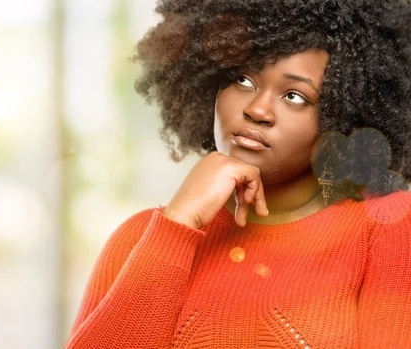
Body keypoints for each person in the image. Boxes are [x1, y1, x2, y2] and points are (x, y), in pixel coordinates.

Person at [65, 0, 411, 348]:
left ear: (345, 114)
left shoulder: (385, 230)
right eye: (242, 79)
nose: (257, 110)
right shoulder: (139, 240)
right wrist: (178, 226)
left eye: (294, 96)